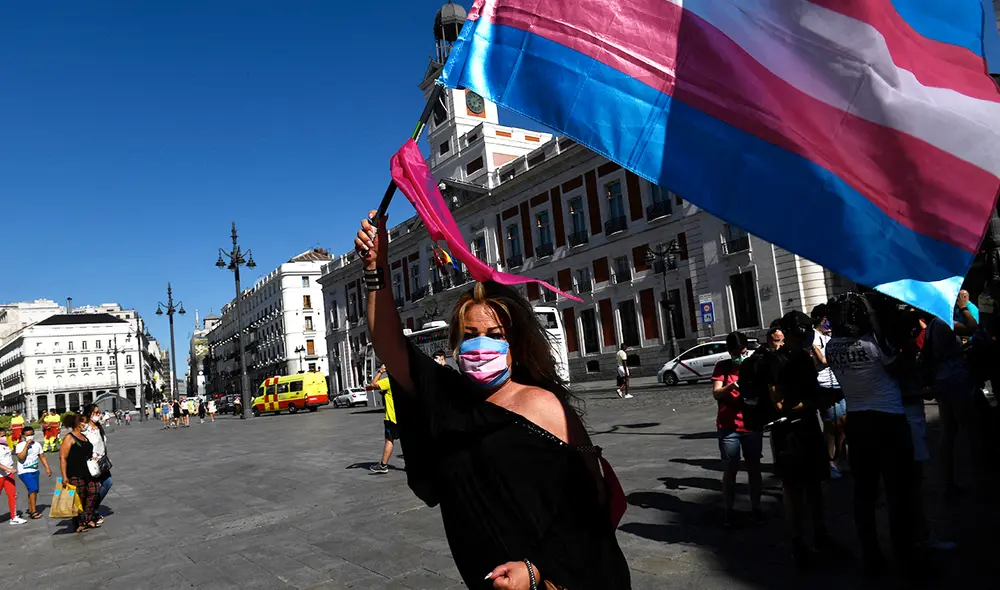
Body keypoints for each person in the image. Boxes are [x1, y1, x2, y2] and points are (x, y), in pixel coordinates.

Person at [356, 211, 630, 589]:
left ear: (514, 344)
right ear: (456, 341)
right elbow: (390, 343)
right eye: (470, 334)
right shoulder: (447, 397)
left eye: (494, 333)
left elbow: (590, 499)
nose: (481, 344)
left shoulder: (543, 404)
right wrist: (376, 267)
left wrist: (537, 569)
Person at [826, 293, 915, 575]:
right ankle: (904, 551)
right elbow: (899, 368)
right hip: (888, 419)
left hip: (858, 420)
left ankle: (871, 553)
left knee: (864, 493)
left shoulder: (831, 347)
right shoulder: (875, 343)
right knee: (897, 490)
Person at [767, 311, 839, 569]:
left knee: (815, 485)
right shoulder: (776, 361)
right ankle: (797, 542)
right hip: (788, 432)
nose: (805, 335)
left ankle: (820, 535)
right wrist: (812, 402)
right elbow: (778, 404)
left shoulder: (804, 358)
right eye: (801, 331)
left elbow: (812, 389)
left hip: (809, 427)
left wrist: (822, 397)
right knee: (794, 489)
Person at [711, 331, 763, 528]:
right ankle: (729, 510)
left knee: (754, 468)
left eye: (742, 351)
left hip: (751, 423)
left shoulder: (753, 365)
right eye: (736, 353)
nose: (740, 356)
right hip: (728, 424)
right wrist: (731, 386)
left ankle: (756, 508)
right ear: (729, 351)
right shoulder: (722, 367)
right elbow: (716, 393)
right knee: (730, 467)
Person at [811, 304, 846, 479]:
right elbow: (821, 361)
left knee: (843, 424)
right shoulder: (814, 337)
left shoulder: (831, 335)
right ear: (821, 319)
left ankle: (841, 458)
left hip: (839, 383)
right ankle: (829, 461)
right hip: (824, 385)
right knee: (831, 425)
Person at [58, 414, 99, 533]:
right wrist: (64, 476)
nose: (86, 424)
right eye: (84, 422)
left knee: (94, 491)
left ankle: (87, 518)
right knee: (78, 498)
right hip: (75, 473)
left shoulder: (84, 437)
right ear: (78, 423)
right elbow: (63, 458)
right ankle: (79, 523)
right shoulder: (69, 438)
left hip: (88, 471)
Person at [83, 404, 113, 524]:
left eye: (99, 412)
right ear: (89, 414)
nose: (98, 414)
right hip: (91, 463)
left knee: (108, 483)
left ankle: (92, 507)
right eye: (95, 412)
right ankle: (90, 510)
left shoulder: (99, 427)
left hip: (102, 462)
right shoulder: (84, 429)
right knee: (95, 488)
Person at [15, 426, 52, 519]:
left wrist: (47, 468)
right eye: (27, 435)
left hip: (35, 470)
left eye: (31, 434)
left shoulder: (37, 445)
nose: (30, 437)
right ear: (23, 436)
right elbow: (21, 457)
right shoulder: (20, 445)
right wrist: (27, 446)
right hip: (24, 471)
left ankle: (31, 509)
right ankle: (34, 511)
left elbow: (42, 457)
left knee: (33, 490)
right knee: (33, 488)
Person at [369, 365, 397, 475]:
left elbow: (373, 384)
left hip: (392, 417)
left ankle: (383, 465)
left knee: (389, 440)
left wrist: (380, 371)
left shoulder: (389, 381)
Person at [0, 428, 26, 525]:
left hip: (8, 475)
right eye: (2, 436)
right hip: (1, 476)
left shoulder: (5, 445)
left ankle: (14, 517)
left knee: (12, 495)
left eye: (5, 435)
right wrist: (8, 469)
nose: (4, 437)